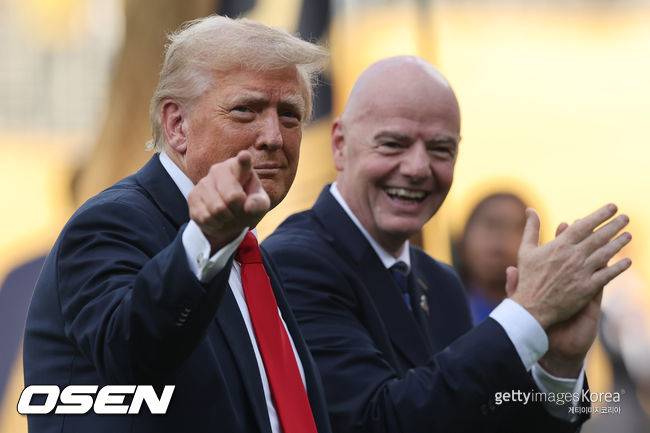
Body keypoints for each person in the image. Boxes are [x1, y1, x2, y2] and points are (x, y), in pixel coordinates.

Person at [262, 56, 632, 433]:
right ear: (340, 144)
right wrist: (527, 314)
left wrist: (557, 365)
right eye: (393, 144)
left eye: (441, 149)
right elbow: (376, 422)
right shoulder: (294, 264)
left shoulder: (439, 282)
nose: (418, 168)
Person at [23, 15, 331, 433]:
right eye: (246, 110)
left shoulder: (246, 253)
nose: (274, 137)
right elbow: (130, 355)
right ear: (177, 125)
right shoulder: (110, 224)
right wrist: (207, 241)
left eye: (290, 115)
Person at [452, 192, 528, 324]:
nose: (501, 237)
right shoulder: (435, 306)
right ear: (462, 240)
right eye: (490, 224)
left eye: (515, 227)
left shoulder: (541, 318)